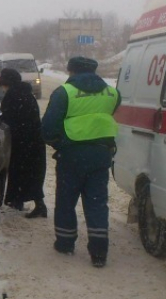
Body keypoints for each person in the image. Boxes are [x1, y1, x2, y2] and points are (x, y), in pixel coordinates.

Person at [41, 56, 120, 267]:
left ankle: (65, 243)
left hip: (71, 156)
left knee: (66, 201)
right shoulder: (112, 93)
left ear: (71, 71)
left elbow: (48, 128)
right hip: (102, 155)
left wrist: (60, 142)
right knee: (97, 203)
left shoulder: (64, 92)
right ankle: (99, 252)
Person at [0, 68, 47, 218]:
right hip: (33, 140)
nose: (1, 87)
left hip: (22, 142)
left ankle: (27, 203)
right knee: (31, 173)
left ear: (7, 83)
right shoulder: (26, 94)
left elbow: (8, 119)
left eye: (2, 84)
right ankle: (22, 201)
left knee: (20, 171)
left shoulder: (13, 96)